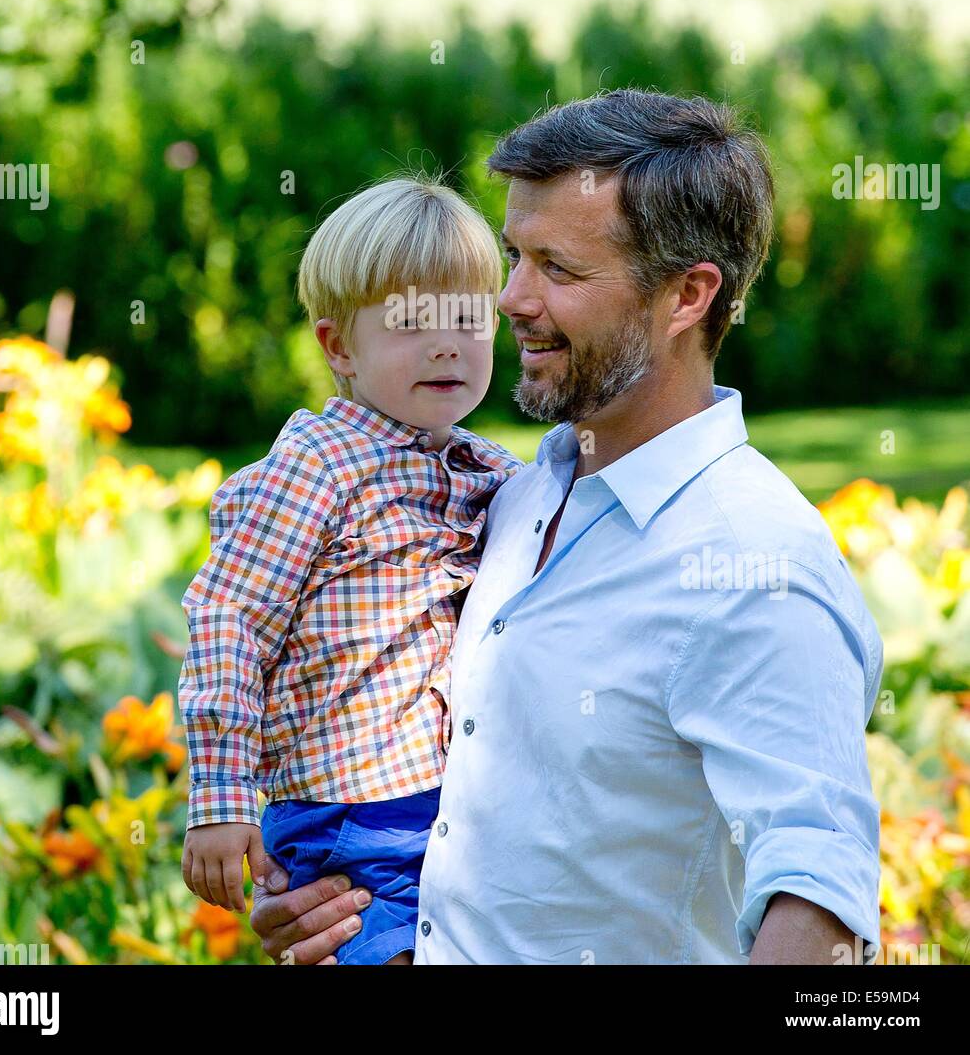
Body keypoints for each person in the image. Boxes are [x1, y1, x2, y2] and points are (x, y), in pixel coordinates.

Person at [249, 88, 885, 965]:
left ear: (687, 296)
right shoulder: (510, 495)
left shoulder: (752, 562)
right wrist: (340, 906)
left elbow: (819, 899)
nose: (508, 299)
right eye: (514, 256)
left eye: (557, 268)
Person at [178, 175, 522, 964]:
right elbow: (231, 619)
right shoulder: (317, 467)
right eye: (411, 323)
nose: (447, 345)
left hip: (446, 805)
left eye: (469, 319)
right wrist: (220, 801)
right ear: (339, 347)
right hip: (348, 820)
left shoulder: (490, 470)